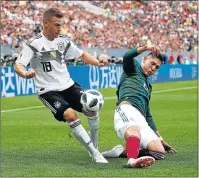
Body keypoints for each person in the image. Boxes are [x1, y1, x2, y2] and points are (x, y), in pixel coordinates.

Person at [14, 8, 108, 164]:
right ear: (45, 23)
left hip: (69, 86)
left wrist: (97, 63)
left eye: (61, 25)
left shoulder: (63, 41)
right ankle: (95, 154)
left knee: (92, 108)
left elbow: (81, 54)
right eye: (57, 24)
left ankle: (95, 148)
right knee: (71, 115)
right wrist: (24, 73)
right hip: (48, 91)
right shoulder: (34, 44)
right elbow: (18, 64)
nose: (60, 28)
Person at [102, 45, 176, 168]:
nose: (153, 68)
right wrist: (146, 47)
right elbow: (127, 55)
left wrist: (161, 139)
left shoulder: (148, 86)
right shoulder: (133, 68)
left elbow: (147, 114)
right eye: (152, 64)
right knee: (134, 132)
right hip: (126, 109)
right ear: (145, 59)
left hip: (141, 118)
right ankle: (131, 160)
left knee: (159, 152)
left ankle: (121, 152)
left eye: (157, 67)